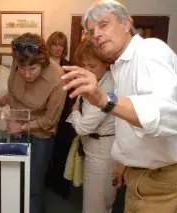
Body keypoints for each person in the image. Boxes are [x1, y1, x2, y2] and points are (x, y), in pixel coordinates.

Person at [62, 0, 177, 212]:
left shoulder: (150, 51)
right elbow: (128, 124)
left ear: (127, 24)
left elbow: (169, 114)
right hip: (138, 171)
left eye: (103, 25)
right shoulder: (120, 67)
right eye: (91, 31)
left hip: (161, 177)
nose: (96, 34)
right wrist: (124, 161)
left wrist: (104, 100)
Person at [8, 33, 67, 213]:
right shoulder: (18, 62)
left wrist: (24, 126)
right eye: (21, 69)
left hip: (41, 134)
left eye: (32, 69)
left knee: (34, 185)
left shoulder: (58, 77)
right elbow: (11, 90)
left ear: (42, 61)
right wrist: (13, 119)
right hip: (15, 128)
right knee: (14, 179)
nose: (26, 74)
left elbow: (51, 119)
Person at [66, 38, 116, 213]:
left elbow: (82, 127)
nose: (87, 70)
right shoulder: (98, 80)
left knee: (95, 205)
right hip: (97, 147)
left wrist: (75, 111)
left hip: (101, 151)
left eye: (92, 66)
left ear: (106, 63)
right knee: (101, 202)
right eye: (84, 65)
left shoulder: (108, 86)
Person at [45, 31, 77, 199]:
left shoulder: (69, 66)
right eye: (54, 44)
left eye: (61, 45)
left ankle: (61, 186)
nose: (57, 48)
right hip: (46, 115)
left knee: (62, 151)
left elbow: (73, 94)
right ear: (49, 45)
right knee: (45, 151)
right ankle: (47, 181)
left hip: (65, 117)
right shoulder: (42, 65)